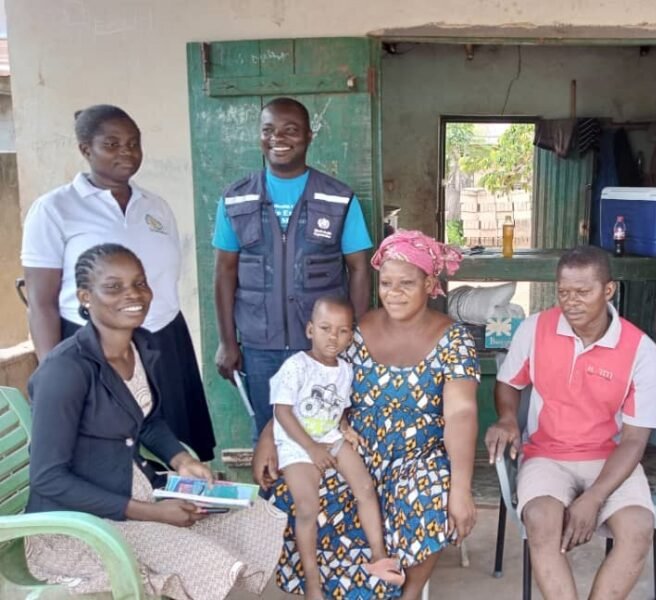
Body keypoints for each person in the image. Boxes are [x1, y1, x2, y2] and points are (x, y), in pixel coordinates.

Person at [24, 243, 286, 600]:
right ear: (85, 297)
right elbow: (48, 477)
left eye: (140, 283)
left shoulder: (140, 347)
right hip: (80, 526)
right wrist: (149, 513)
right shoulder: (66, 370)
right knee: (209, 562)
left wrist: (183, 460)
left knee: (253, 514)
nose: (133, 295)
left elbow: (147, 420)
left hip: (139, 491)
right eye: (113, 286)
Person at [252, 230, 479, 599]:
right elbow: (308, 389)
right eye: (387, 283)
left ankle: (409, 593)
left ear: (429, 283)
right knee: (300, 493)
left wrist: (462, 488)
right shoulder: (356, 332)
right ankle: (327, 589)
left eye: (407, 283)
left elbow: (462, 414)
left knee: (430, 496)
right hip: (351, 447)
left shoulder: (454, 341)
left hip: (418, 458)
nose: (395, 292)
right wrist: (268, 438)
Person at [20, 104, 216, 460]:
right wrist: (54, 377)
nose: (126, 152)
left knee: (176, 452)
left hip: (164, 341)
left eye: (133, 143)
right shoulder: (55, 209)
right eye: (112, 144)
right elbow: (41, 302)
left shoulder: (155, 206)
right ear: (85, 149)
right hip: (92, 346)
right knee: (107, 456)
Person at [484, 245, 656, 600]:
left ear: (608, 290)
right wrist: (507, 417)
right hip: (547, 455)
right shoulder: (535, 329)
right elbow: (508, 382)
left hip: (611, 459)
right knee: (540, 519)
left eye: (583, 292)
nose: (571, 302)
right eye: (563, 292)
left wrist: (594, 498)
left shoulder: (641, 350)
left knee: (638, 530)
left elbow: (633, 440)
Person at [212, 96, 374, 438]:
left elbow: (359, 269)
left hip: (321, 345)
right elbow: (225, 272)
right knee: (268, 437)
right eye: (268, 130)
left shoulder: (338, 198)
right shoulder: (235, 198)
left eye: (291, 130)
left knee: (327, 431)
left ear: (310, 136)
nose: (278, 138)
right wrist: (228, 341)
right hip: (260, 348)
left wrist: (355, 337)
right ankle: (274, 495)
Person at [270, 296, 405, 599]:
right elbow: (282, 412)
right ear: (309, 330)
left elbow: (337, 410)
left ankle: (379, 557)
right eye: (325, 328)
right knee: (307, 508)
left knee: (366, 488)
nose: (333, 337)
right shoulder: (296, 366)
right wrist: (311, 449)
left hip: (330, 437)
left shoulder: (345, 370)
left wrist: (346, 429)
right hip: (296, 443)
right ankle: (313, 584)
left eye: (343, 331)